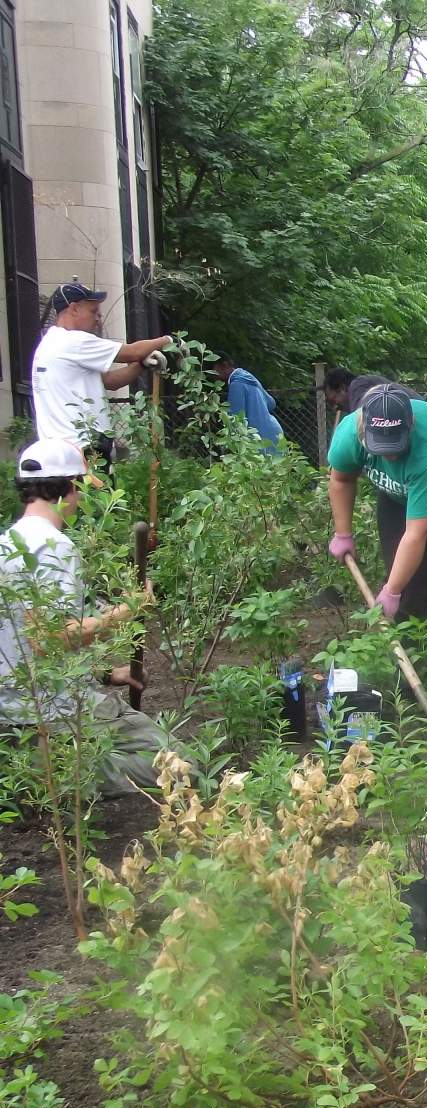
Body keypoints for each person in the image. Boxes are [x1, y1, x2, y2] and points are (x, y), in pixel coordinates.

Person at [0, 439, 164, 799]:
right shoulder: (54, 547)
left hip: (14, 712)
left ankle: (39, 768)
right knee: (178, 765)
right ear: (68, 487)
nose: (83, 500)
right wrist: (131, 609)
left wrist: (106, 674)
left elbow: (20, 642)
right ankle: (58, 778)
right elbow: (49, 639)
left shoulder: (7, 543)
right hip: (56, 712)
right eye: (82, 489)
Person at [326, 379, 427, 625]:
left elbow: (417, 533)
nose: (390, 455)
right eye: (381, 447)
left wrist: (390, 591)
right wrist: (343, 533)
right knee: (408, 593)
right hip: (398, 499)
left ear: (410, 424)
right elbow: (341, 480)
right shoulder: (350, 433)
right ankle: (414, 658)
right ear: (364, 434)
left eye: (396, 444)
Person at [29, 281, 172, 458]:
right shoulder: (72, 341)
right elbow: (132, 352)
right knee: (96, 487)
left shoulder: (51, 343)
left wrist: (142, 365)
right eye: (93, 311)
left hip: (61, 448)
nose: (98, 318)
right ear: (73, 309)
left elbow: (110, 381)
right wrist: (170, 340)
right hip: (83, 445)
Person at [212, 357, 285, 451]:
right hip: (275, 433)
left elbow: (235, 420)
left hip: (257, 440)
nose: (213, 375)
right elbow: (271, 403)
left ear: (224, 365)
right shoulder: (249, 378)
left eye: (214, 370)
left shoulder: (236, 384)